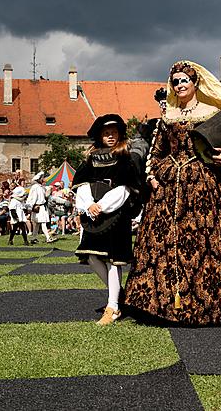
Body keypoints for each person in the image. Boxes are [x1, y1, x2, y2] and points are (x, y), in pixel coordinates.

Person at [125, 60, 221, 326]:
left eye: (184, 80)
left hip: (207, 184)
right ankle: (166, 306)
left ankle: (213, 304)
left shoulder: (214, 112)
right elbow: (156, 153)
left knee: (212, 244)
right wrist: (153, 175)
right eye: (175, 81)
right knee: (163, 247)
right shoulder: (167, 117)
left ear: (195, 83)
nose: (179, 85)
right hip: (169, 187)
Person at [72, 114, 141, 326]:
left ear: (119, 134)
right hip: (92, 215)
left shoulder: (125, 159)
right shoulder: (89, 160)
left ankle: (112, 307)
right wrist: (89, 205)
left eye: (114, 132)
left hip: (115, 215)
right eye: (106, 133)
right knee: (92, 257)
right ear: (100, 136)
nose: (110, 136)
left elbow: (124, 189)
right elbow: (81, 185)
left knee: (113, 261)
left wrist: (102, 206)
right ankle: (118, 296)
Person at [26, 171, 56, 244]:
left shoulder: (40, 187)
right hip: (38, 207)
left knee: (37, 224)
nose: (43, 179)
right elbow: (33, 198)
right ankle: (48, 238)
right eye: (42, 178)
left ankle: (34, 238)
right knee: (42, 223)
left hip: (41, 206)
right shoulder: (35, 187)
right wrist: (30, 207)